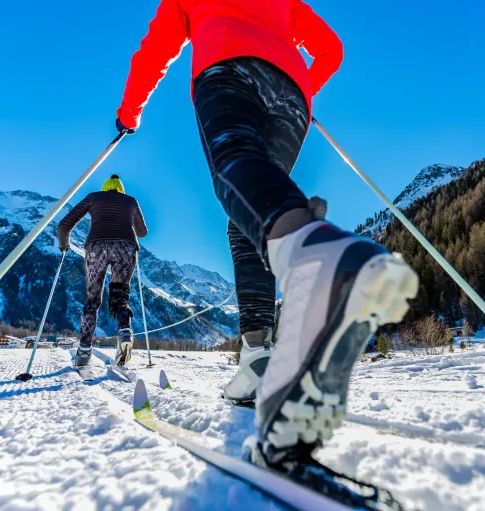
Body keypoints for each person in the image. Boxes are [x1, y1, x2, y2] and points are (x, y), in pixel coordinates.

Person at [116, 0, 418, 465]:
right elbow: (331, 49)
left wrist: (129, 114)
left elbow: (155, 51)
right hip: (292, 94)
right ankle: (257, 358)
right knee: (251, 213)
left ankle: (316, 254)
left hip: (227, 72)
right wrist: (305, 90)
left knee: (235, 165)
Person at [57, 174, 148, 367]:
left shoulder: (93, 197)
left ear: (105, 188)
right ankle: (124, 331)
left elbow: (64, 225)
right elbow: (142, 232)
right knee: (120, 297)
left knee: (92, 300)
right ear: (120, 190)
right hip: (126, 247)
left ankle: (84, 350)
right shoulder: (131, 201)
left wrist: (65, 245)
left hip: (96, 247)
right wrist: (126, 217)